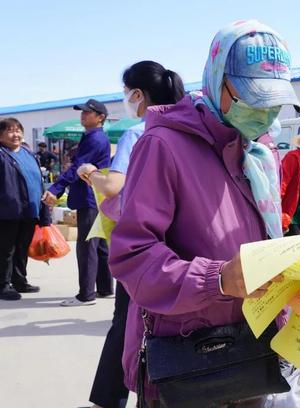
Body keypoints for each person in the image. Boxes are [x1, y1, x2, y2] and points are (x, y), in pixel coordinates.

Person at [108, 20, 300, 406]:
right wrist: (217, 279)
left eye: (272, 100)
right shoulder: (163, 144)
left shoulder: (259, 151)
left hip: (253, 346)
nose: (263, 111)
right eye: (252, 96)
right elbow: (132, 254)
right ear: (217, 81)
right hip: (187, 357)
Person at [76, 61, 185, 408]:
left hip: (145, 248)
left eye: (127, 92)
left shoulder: (141, 132)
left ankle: (111, 397)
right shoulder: (191, 128)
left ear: (138, 94)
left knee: (127, 322)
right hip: (185, 246)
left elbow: (114, 185)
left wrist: (90, 172)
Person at [42, 98, 113, 306]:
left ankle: (86, 294)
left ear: (100, 118)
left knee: (87, 245)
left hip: (89, 197)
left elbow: (77, 168)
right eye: (82, 112)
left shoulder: (95, 139)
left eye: (88, 112)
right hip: (96, 196)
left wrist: (56, 188)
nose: (83, 115)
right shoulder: (93, 137)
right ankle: (105, 287)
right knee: (98, 244)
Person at [0, 118, 51, 300]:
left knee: (22, 248)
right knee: (6, 250)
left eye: (18, 130)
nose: (16, 134)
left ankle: (20, 281)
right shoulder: (2, 154)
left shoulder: (29, 154)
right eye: (10, 131)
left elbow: (38, 182)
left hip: (29, 210)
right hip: (7, 211)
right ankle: (3, 285)